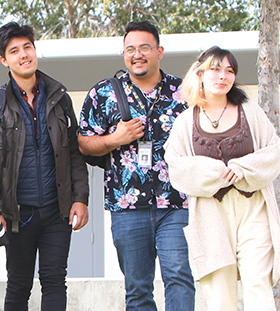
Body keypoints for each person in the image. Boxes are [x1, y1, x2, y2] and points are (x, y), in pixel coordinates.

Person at [77, 21, 195, 310]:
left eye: (144, 47)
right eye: (130, 49)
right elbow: (83, 142)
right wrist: (114, 139)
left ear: (159, 52)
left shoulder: (186, 92)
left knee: (179, 277)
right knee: (138, 288)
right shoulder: (103, 93)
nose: (137, 54)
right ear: (124, 54)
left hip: (178, 203)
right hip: (127, 207)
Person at [0, 22, 89, 311]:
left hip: (57, 209)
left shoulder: (59, 98)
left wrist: (80, 199)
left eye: (28, 47)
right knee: (18, 285)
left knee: (54, 280)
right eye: (14, 51)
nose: (23, 54)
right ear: (4, 60)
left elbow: (74, 152)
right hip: (15, 214)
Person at [164, 46, 280, 311]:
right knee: (220, 295)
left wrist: (244, 167)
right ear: (200, 74)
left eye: (229, 70)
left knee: (257, 284)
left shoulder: (250, 112)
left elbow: (274, 152)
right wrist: (217, 173)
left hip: (254, 209)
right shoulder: (185, 121)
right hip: (211, 214)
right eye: (215, 69)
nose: (223, 76)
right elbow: (177, 168)